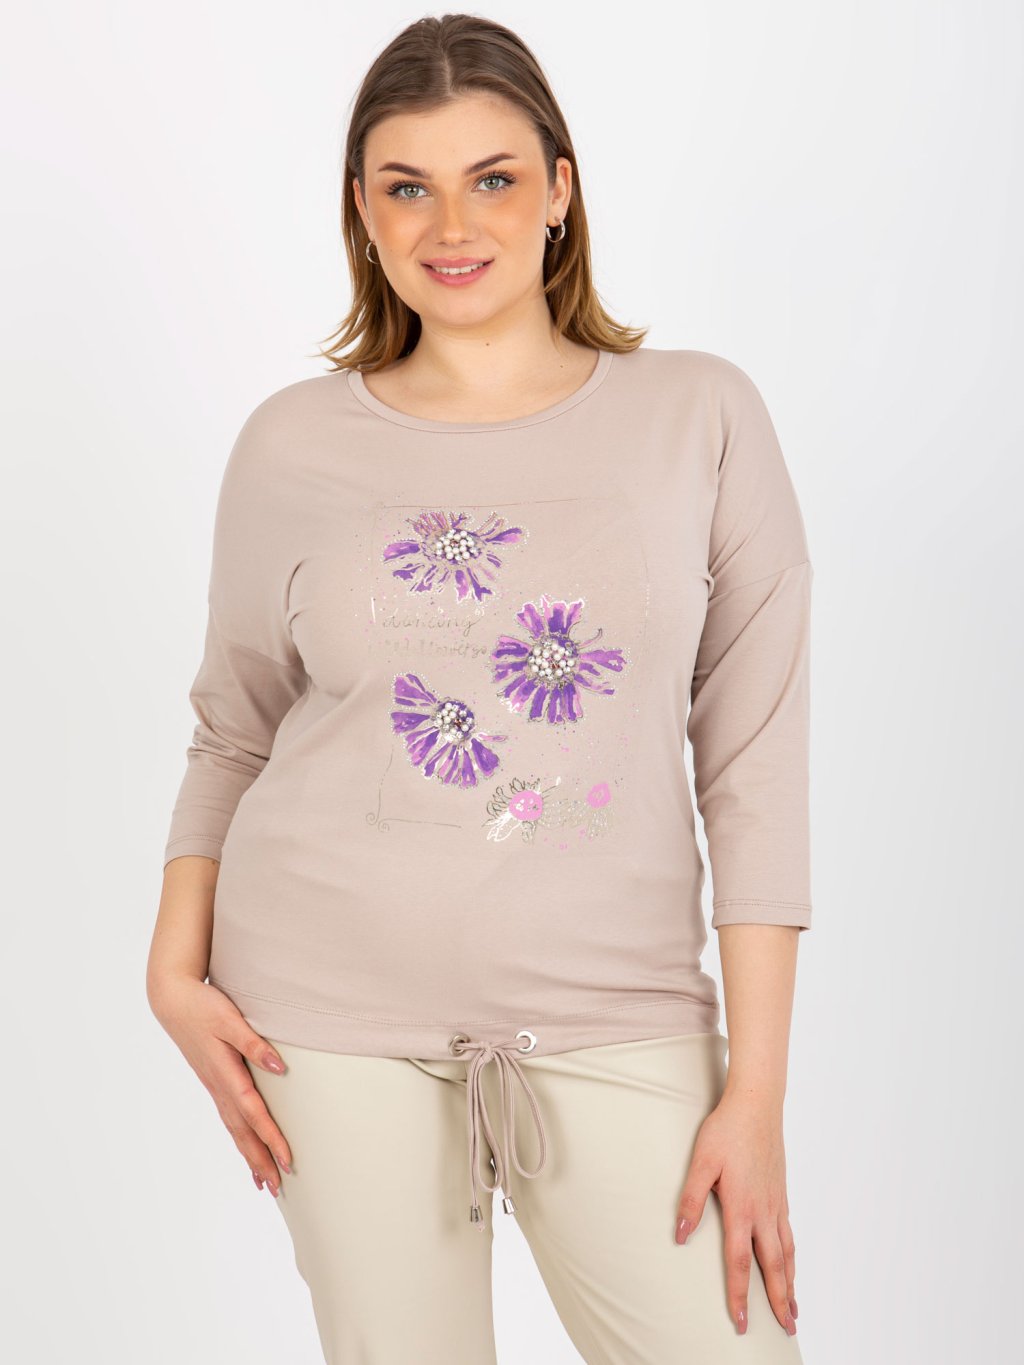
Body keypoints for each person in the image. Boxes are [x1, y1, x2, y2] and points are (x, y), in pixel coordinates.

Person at [147, 13, 814, 1363]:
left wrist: (756, 1095)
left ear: (560, 190)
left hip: (619, 1014)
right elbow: (233, 728)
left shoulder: (700, 416)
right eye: (408, 186)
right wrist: (172, 967)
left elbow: (754, 766)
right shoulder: (290, 444)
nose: (452, 225)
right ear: (362, 209)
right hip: (328, 1027)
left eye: (493, 178)